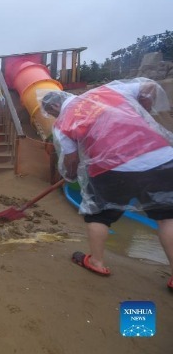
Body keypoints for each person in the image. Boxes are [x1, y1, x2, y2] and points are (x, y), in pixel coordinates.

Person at [40, 77, 173, 291]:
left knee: (98, 215)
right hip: (160, 158)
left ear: (55, 106)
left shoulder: (63, 122)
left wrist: (71, 175)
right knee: (168, 216)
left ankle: (96, 262)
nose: (55, 116)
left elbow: (71, 159)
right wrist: (142, 110)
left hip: (111, 168)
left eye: (52, 112)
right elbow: (149, 87)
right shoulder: (108, 91)